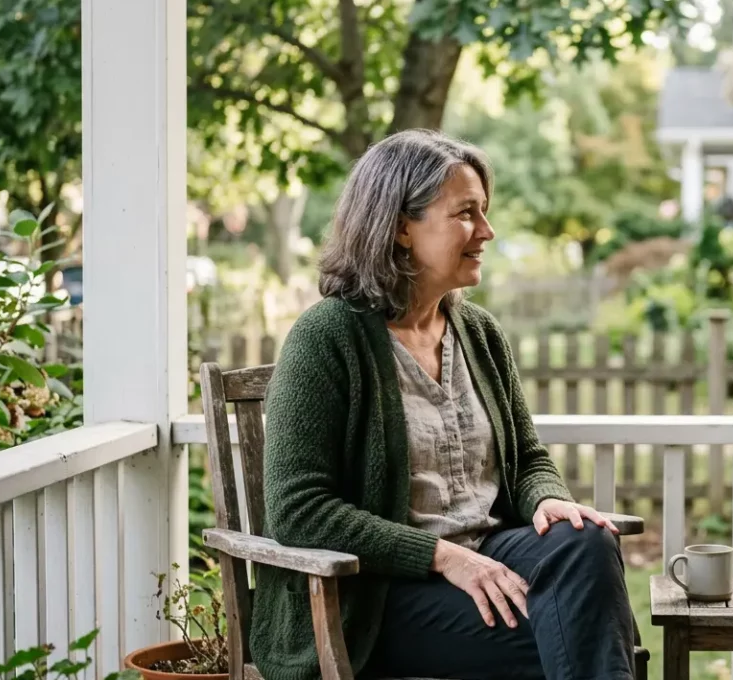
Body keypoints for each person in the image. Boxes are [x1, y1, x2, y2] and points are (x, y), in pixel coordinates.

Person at [251, 129, 637, 680]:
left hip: (492, 555)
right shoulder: (327, 337)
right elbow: (299, 510)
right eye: (465, 213)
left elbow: (527, 458)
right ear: (402, 227)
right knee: (577, 629)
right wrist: (444, 557)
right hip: (377, 595)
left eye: (484, 212)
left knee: (586, 541)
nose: (487, 231)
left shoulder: (479, 334)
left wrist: (547, 499)